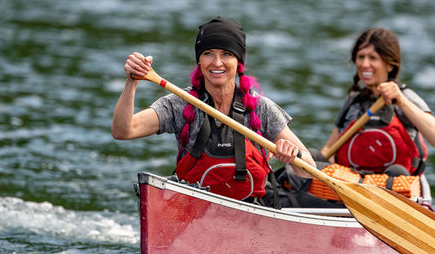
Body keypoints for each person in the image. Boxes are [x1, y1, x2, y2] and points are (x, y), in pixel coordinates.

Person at [112, 16, 316, 204]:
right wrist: (132, 83)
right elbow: (124, 131)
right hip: (193, 209)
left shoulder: (262, 109)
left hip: (251, 211)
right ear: (199, 61)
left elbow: (310, 170)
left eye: (226, 54)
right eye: (208, 54)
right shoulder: (180, 104)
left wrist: (294, 154)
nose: (217, 63)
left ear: (239, 62)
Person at [320, 27, 435, 177]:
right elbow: (329, 149)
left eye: (373, 58)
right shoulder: (354, 101)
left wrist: (401, 102)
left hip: (398, 190)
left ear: (390, 65)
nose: (364, 64)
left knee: (396, 173)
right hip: (355, 188)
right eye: (360, 57)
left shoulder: (405, 97)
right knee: (313, 158)